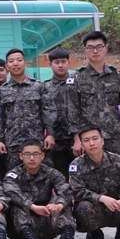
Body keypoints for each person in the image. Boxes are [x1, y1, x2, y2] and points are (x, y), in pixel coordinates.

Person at [67, 30, 120, 159]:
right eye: (91, 48)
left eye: (99, 47)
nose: (95, 51)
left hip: (114, 137)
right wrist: (77, 139)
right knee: (89, 175)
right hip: (88, 140)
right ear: (85, 50)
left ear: (106, 48)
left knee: (117, 174)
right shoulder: (76, 78)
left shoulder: (118, 76)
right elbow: (72, 111)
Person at [2, 139, 77, 239]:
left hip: (46, 222)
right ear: (21, 156)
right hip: (20, 230)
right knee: (18, 204)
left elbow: (65, 189)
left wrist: (59, 205)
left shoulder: (51, 173)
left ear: (42, 156)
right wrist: (33, 207)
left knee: (61, 201)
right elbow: (10, 191)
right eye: (27, 154)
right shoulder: (14, 175)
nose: (32, 158)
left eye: (36, 154)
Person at [0, 48, 56, 174]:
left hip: (37, 141)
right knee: (15, 177)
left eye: (19, 60)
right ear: (7, 66)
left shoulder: (38, 86)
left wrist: (50, 134)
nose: (15, 63)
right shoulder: (1, 91)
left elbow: (48, 112)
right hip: (13, 143)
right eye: (11, 61)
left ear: (25, 64)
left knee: (42, 177)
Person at [44, 48, 75, 176]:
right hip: (56, 140)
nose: (60, 65)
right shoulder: (45, 87)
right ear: (50, 64)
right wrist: (49, 133)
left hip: (76, 139)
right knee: (60, 177)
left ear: (69, 62)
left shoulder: (77, 83)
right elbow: (44, 113)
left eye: (63, 61)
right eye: (56, 62)